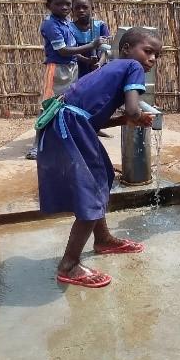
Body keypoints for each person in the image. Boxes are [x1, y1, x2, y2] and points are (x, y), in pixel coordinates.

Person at [37, 28, 161, 288]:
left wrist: (126, 120)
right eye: (147, 51)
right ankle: (69, 264)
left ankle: (102, 239)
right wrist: (137, 116)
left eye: (156, 56)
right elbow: (132, 107)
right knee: (90, 190)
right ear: (126, 48)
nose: (151, 59)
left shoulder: (110, 69)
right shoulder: (131, 66)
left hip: (67, 123)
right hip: (70, 126)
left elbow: (94, 120)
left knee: (101, 175)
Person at [25, 0, 105, 160]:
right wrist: (91, 46)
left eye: (68, 4)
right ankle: (36, 146)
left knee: (67, 105)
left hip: (71, 68)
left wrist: (85, 60)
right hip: (57, 69)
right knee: (47, 106)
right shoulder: (50, 24)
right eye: (59, 4)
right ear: (48, 5)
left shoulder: (65, 22)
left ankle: (61, 142)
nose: (64, 7)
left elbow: (72, 51)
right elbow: (62, 50)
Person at [69, 0, 111, 78]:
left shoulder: (100, 26)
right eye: (77, 8)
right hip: (78, 68)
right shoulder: (69, 28)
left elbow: (106, 50)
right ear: (72, 11)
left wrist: (99, 63)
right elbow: (71, 51)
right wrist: (88, 61)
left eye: (85, 7)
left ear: (92, 9)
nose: (81, 10)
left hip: (99, 67)